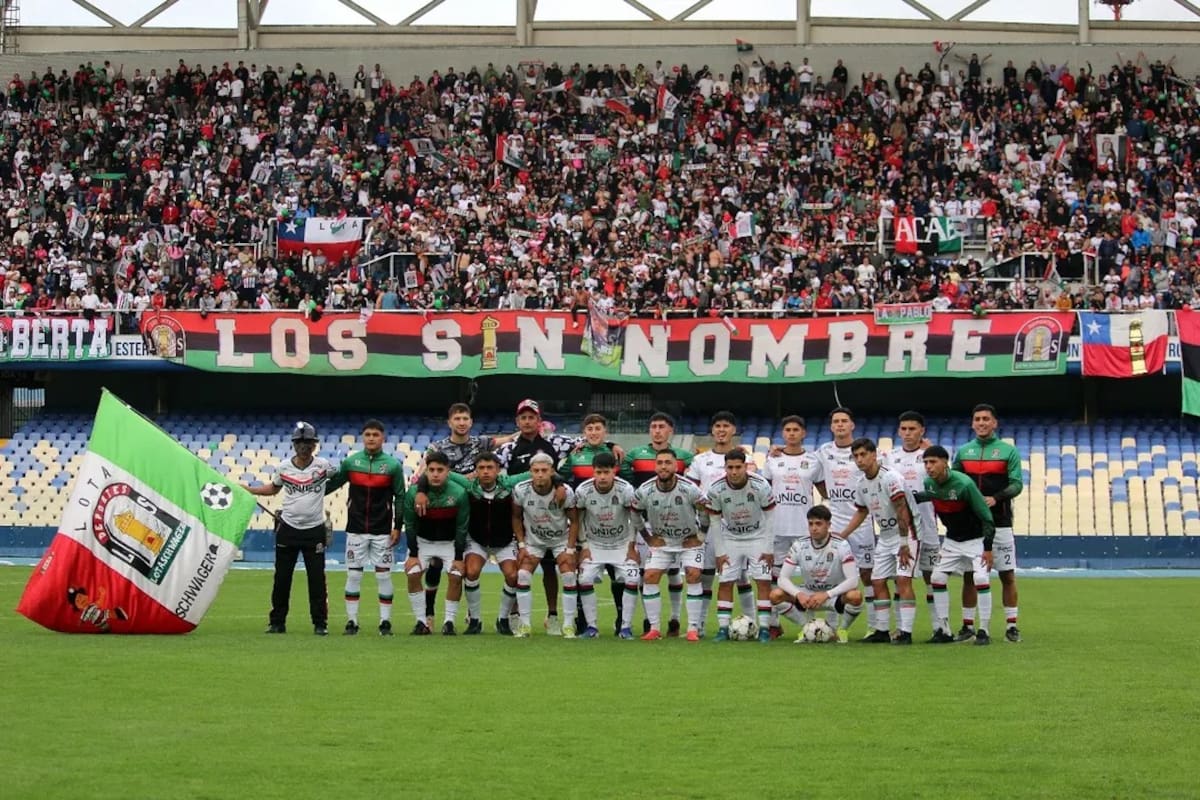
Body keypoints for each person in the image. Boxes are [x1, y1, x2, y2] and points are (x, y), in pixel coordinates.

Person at [415, 451, 566, 635]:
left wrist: (558, 483)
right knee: (471, 572)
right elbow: (433, 472)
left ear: (498, 470)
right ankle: (475, 621)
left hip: (504, 541)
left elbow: (543, 471)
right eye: (481, 468)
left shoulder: (509, 484)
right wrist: (421, 491)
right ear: (475, 471)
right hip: (477, 540)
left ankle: (502, 620)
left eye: (490, 468)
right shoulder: (469, 485)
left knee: (512, 576)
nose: (486, 472)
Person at [420, 403, 517, 630]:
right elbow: (426, 472)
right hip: (447, 509)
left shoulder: (480, 443)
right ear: (450, 422)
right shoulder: (438, 447)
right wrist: (423, 491)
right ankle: (429, 612)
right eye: (457, 419)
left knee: (463, 567)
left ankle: (470, 615)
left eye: (465, 418)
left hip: (474, 510)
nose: (461, 422)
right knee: (435, 564)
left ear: (471, 422)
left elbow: (511, 438)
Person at [496, 398, 582, 635]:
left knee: (550, 570)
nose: (527, 421)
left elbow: (586, 442)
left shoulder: (555, 442)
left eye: (531, 417)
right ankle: (515, 616)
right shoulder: (509, 448)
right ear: (517, 421)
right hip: (522, 511)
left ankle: (553, 616)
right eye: (522, 417)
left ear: (538, 420)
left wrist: (613, 444)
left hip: (551, 512)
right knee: (520, 569)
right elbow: (494, 471)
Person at [242, 421, 336, 636]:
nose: (304, 447)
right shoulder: (283, 467)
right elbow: (272, 489)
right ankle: (277, 622)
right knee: (282, 579)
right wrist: (248, 490)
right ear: (294, 444)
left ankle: (320, 623)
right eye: (300, 442)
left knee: (316, 580)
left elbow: (339, 478)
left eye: (308, 443)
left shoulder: (324, 466)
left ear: (314, 445)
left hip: (314, 530)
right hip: (288, 529)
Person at [835, 438, 920, 644]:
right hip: (885, 536)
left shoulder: (890, 477)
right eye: (856, 456)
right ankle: (882, 631)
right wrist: (841, 535)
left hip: (906, 534)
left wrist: (903, 542)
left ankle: (905, 632)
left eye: (863, 454)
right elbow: (862, 512)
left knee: (902, 580)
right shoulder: (861, 483)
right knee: (877, 580)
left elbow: (902, 509)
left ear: (874, 455)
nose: (860, 459)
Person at [325, 419, 406, 636]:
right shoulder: (351, 463)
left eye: (375, 434)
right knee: (353, 575)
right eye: (368, 434)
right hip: (356, 529)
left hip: (382, 530)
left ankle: (385, 622)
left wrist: (397, 526)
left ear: (383, 438)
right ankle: (352, 622)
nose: (371, 438)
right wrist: (308, 491)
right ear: (363, 437)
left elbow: (400, 497)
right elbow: (333, 485)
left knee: (383, 576)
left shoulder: (392, 465)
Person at [953, 403, 1023, 642]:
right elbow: (953, 481)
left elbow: (1017, 484)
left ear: (995, 423)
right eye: (977, 419)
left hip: (1000, 522)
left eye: (986, 419)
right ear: (972, 423)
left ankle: (1011, 626)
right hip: (970, 526)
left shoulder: (1007, 451)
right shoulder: (963, 452)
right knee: (969, 576)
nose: (981, 423)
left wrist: (996, 498)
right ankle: (967, 626)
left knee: (1007, 575)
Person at [620, 411, 694, 636]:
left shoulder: (683, 456)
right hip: (647, 521)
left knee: (673, 572)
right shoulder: (635, 454)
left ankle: (674, 618)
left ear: (671, 430)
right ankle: (648, 620)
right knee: (646, 572)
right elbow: (623, 478)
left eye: (662, 426)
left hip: (676, 520)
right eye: (653, 427)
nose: (657, 430)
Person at [915, 446, 996, 645]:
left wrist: (987, 548)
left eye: (933, 462)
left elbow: (987, 517)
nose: (928, 466)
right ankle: (945, 631)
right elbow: (931, 496)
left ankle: (984, 630)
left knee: (980, 577)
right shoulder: (929, 483)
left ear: (945, 462)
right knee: (937, 578)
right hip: (952, 541)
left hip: (975, 540)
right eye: (926, 462)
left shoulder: (964, 484)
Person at [686, 411, 756, 635]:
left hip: (737, 526)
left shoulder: (746, 459)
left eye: (726, 426)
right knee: (706, 575)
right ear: (712, 431)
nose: (721, 430)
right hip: (708, 526)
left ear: (733, 430)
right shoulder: (700, 460)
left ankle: (751, 623)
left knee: (742, 576)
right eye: (717, 426)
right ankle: (701, 625)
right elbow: (691, 492)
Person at [816, 407, 881, 639]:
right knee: (833, 575)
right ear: (831, 426)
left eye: (844, 421)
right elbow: (814, 477)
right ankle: (831, 628)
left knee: (867, 575)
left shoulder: (864, 451)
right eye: (836, 421)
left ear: (852, 425)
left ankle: (874, 626)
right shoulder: (823, 451)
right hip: (835, 522)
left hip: (862, 523)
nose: (840, 425)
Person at [760, 415, 825, 638]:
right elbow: (764, 493)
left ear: (804, 433)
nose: (791, 433)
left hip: (804, 528)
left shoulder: (814, 461)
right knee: (772, 577)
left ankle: (820, 622)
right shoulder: (772, 460)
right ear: (782, 433)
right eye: (787, 429)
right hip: (777, 528)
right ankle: (775, 623)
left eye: (796, 429)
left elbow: (825, 494)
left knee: (814, 576)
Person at [633, 450, 706, 641]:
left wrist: (701, 536)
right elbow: (634, 513)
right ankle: (655, 628)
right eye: (659, 463)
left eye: (668, 462)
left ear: (676, 466)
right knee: (649, 576)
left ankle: (692, 629)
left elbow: (706, 511)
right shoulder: (645, 490)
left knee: (693, 574)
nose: (663, 466)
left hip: (688, 541)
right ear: (655, 466)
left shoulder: (690, 489)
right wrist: (648, 538)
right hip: (662, 541)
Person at [559, 413, 623, 633]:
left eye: (598, 428)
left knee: (618, 573)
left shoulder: (616, 454)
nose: (594, 432)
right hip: (584, 524)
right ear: (584, 433)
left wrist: (613, 445)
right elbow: (559, 476)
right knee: (581, 572)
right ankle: (583, 620)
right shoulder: (575, 456)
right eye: (590, 429)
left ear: (605, 431)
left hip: (614, 524)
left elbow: (627, 483)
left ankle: (621, 618)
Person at [704, 450, 776, 642]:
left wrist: (768, 549)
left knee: (762, 580)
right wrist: (720, 553)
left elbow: (770, 518)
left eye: (738, 467)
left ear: (745, 466)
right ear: (725, 468)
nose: (734, 472)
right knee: (726, 581)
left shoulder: (761, 485)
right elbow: (715, 522)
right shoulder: (716, 489)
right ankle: (722, 628)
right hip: (731, 538)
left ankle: (764, 629)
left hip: (757, 536)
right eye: (730, 468)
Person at [880, 411, 941, 624]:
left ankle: (941, 627)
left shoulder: (930, 456)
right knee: (900, 579)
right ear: (898, 431)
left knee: (933, 578)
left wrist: (930, 452)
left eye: (912, 429)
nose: (907, 433)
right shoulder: (890, 457)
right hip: (902, 529)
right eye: (904, 429)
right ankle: (900, 628)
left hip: (928, 527)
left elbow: (946, 482)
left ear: (922, 431)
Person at [770, 506, 863, 644]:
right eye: (811, 524)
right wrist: (798, 594)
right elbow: (782, 579)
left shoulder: (841, 545)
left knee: (855, 596)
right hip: (808, 595)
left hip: (833, 595)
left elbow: (853, 580)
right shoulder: (799, 545)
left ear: (828, 525)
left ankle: (842, 630)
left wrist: (827, 594)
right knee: (775, 595)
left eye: (818, 524)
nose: (814, 528)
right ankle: (806, 627)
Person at [511, 453, 579, 638]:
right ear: (530, 472)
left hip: (560, 540)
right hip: (534, 541)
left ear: (552, 472)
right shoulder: (520, 490)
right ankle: (524, 625)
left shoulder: (566, 491)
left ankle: (568, 625)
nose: (540, 474)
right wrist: (522, 545)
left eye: (544, 470)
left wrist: (571, 549)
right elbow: (516, 517)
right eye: (536, 471)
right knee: (523, 575)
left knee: (569, 576)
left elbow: (574, 521)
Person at [401, 451, 470, 635]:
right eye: (431, 470)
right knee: (413, 573)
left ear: (448, 471)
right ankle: (421, 622)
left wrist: (458, 557)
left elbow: (462, 527)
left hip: (449, 543)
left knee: (456, 575)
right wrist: (413, 555)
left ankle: (449, 622)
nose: (435, 474)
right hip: (422, 542)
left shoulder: (459, 493)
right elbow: (409, 525)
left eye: (440, 470)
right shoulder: (413, 494)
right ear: (426, 472)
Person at [574, 451, 639, 638]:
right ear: (592, 471)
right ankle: (592, 628)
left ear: (614, 471)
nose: (602, 477)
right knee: (584, 579)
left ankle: (626, 628)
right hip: (595, 545)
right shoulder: (583, 490)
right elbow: (578, 519)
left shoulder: (625, 489)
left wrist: (632, 547)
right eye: (598, 472)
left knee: (633, 579)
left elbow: (633, 518)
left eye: (606, 472)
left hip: (621, 544)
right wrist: (584, 547)